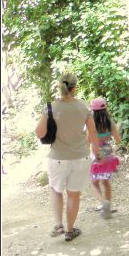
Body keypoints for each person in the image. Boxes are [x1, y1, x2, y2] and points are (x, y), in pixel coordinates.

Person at [35, 72, 101, 241]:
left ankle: (58, 224)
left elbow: (40, 133)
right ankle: (70, 231)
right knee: (74, 194)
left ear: (60, 87)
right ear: (74, 88)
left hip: (57, 158)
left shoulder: (51, 108)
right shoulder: (83, 106)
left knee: (56, 190)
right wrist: (97, 152)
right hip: (81, 157)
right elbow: (93, 132)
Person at [89, 98, 122, 219]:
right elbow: (118, 141)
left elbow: (88, 140)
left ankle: (104, 203)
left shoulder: (91, 124)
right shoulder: (110, 123)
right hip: (108, 154)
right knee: (106, 182)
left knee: (94, 183)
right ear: (106, 109)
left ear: (93, 110)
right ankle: (107, 205)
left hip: (97, 155)